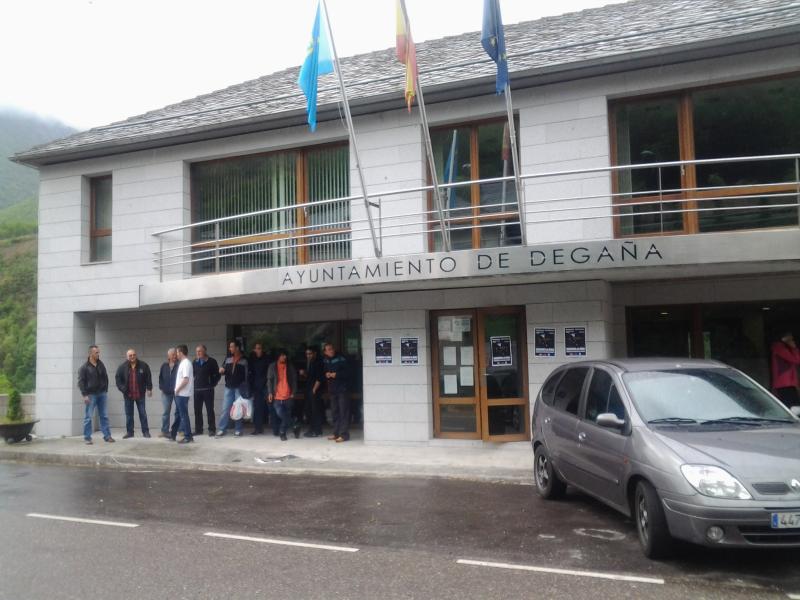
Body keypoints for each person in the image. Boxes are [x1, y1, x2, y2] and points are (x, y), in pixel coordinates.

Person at [77, 345, 114, 445]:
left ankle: (107, 436)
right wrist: (85, 395)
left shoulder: (101, 364)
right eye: (96, 352)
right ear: (90, 354)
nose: (98, 354)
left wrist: (105, 389)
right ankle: (87, 438)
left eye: (98, 352)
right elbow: (81, 382)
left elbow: (105, 377)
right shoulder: (84, 368)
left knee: (104, 416)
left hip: (102, 394)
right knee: (88, 417)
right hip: (91, 395)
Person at [115, 348, 153, 439]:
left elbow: (148, 377)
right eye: (130, 355)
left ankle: (146, 431)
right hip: (128, 395)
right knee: (129, 415)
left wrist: (149, 388)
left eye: (134, 355)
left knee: (143, 414)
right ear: (127, 357)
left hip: (140, 394)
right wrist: (123, 389)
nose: (132, 357)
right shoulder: (122, 367)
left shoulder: (143, 365)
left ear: (136, 355)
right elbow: (117, 379)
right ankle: (130, 432)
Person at [216, 341, 248, 437]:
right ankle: (222, 429)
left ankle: (238, 430)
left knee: (238, 409)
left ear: (237, 348)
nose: (230, 349)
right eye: (230, 347)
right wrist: (221, 370)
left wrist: (246, 388)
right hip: (228, 387)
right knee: (225, 409)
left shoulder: (244, 360)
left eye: (231, 347)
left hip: (239, 388)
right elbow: (223, 370)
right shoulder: (228, 358)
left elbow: (246, 376)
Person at [267, 349, 299, 441]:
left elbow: (294, 380)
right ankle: (295, 425)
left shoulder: (290, 366)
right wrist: (269, 392)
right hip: (277, 396)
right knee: (282, 414)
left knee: (286, 415)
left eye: (285, 355)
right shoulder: (272, 366)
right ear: (278, 356)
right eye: (282, 355)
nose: (284, 357)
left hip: (288, 395)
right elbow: (269, 380)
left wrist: (293, 392)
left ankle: (283, 432)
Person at [322, 342, 349, 442]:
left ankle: (344, 435)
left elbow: (347, 373)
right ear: (325, 352)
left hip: (342, 389)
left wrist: (336, 375)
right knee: (335, 412)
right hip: (332, 389)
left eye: (332, 348)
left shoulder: (341, 358)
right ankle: (336, 433)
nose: (331, 351)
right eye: (328, 349)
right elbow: (324, 371)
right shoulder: (325, 360)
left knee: (343, 412)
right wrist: (327, 374)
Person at [193, 345, 221, 436]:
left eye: (200, 351)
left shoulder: (212, 361)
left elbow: (217, 375)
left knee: (209, 410)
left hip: (208, 390)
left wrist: (212, 384)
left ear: (205, 351)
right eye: (197, 351)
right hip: (197, 389)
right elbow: (192, 375)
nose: (198, 353)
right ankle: (198, 429)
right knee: (197, 410)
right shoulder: (194, 362)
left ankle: (212, 429)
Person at [771, 331, 800, 408]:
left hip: (790, 383)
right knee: (791, 406)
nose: (791, 340)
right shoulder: (778, 347)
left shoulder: (786, 348)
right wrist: (794, 348)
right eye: (789, 337)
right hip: (783, 383)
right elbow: (796, 360)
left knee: (795, 406)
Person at [301, 346, 325, 437]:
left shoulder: (318, 362)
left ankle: (316, 431)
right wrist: (304, 373)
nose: (308, 355)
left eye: (310, 353)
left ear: (315, 353)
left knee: (315, 410)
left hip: (315, 390)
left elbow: (319, 378)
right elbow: (311, 376)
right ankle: (312, 429)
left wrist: (314, 389)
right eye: (307, 354)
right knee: (309, 410)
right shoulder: (309, 362)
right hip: (309, 389)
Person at [173, 345, 194, 444]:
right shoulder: (185, 363)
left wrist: (177, 390)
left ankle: (188, 436)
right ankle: (174, 433)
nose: (176, 354)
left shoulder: (185, 363)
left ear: (181, 352)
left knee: (183, 415)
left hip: (182, 394)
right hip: (182, 394)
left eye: (177, 352)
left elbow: (186, 379)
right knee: (180, 415)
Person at [158, 348, 180, 439]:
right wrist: (161, 387)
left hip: (177, 392)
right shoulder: (164, 366)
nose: (175, 356)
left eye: (176, 354)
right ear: (169, 356)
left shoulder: (179, 365)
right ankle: (164, 431)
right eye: (173, 354)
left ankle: (178, 430)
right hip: (166, 392)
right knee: (165, 412)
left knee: (178, 412)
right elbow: (160, 378)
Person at [248, 342, 270, 435]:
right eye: (257, 348)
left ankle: (277, 428)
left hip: (266, 386)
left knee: (272, 406)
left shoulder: (267, 359)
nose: (258, 350)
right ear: (254, 349)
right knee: (257, 408)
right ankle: (258, 428)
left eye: (260, 348)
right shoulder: (251, 360)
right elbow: (250, 374)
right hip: (256, 387)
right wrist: (251, 387)